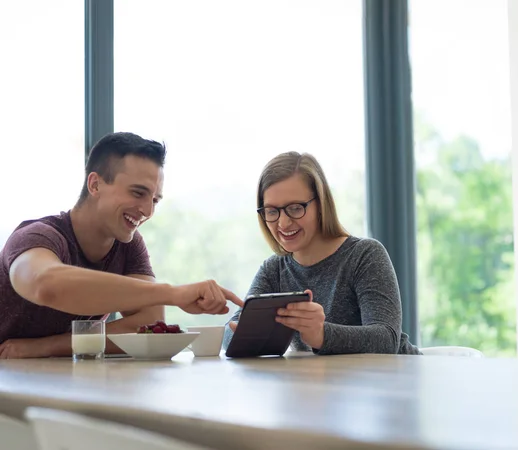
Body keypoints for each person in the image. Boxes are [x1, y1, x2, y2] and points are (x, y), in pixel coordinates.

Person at [0, 132, 242, 359]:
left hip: (46, 375)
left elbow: (146, 322)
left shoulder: (128, 243)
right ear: (94, 185)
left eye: (155, 200)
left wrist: (46, 347)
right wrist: (175, 293)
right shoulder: (37, 237)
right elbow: (46, 285)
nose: (147, 211)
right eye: (138, 193)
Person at [222, 152, 420, 355]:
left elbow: (387, 340)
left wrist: (322, 335)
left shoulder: (364, 255)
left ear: (321, 204)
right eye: (272, 211)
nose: (283, 223)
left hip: (398, 379)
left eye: (295, 208)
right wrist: (245, 335)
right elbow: (229, 334)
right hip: (332, 384)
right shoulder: (274, 270)